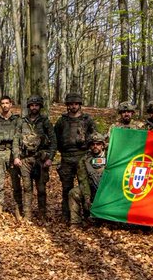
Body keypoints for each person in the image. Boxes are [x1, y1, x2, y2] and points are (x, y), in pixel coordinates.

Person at [54, 91, 96, 222]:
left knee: (85, 187)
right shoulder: (62, 121)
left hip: (82, 157)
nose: (73, 106)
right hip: (66, 158)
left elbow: (95, 137)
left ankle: (87, 214)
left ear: (80, 104)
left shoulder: (87, 120)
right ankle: (67, 215)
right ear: (67, 105)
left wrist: (85, 141)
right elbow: (55, 138)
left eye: (76, 104)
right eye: (71, 104)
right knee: (66, 188)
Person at [20, 95, 56, 220]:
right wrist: (16, 156)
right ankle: (27, 215)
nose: (34, 107)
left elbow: (53, 141)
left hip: (41, 159)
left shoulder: (45, 122)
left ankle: (42, 214)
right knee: (27, 188)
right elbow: (16, 139)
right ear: (29, 106)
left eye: (36, 105)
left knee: (41, 189)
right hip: (25, 159)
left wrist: (50, 158)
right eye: (32, 105)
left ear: (40, 106)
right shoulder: (22, 122)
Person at [0, 95, 23, 217]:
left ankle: (18, 208)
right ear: (0, 105)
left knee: (16, 183)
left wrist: (16, 155)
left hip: (12, 153)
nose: (5, 105)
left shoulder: (17, 120)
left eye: (7, 103)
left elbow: (18, 138)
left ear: (11, 104)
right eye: (2, 103)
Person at [68, 134, 107, 226]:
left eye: (98, 144)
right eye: (92, 144)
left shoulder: (111, 157)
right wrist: (87, 197)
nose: (95, 146)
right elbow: (83, 180)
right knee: (73, 193)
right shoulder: (84, 160)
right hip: (91, 189)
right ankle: (75, 222)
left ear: (102, 145)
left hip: (108, 190)